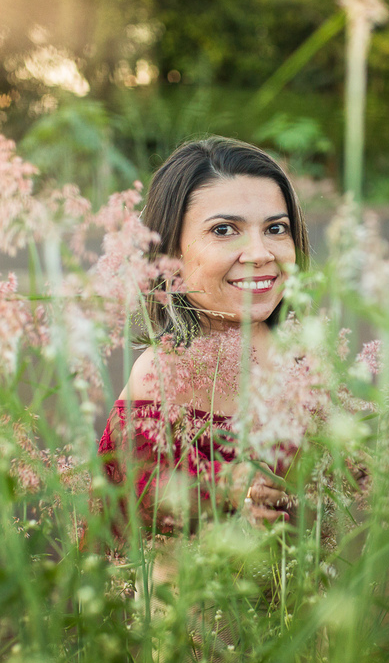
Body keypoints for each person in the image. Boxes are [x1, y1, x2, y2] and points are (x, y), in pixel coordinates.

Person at [97, 137, 310, 538]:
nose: (260, 253)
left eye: (275, 229)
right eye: (224, 230)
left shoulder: (302, 359)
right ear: (170, 253)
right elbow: (146, 528)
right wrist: (228, 487)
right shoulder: (160, 377)